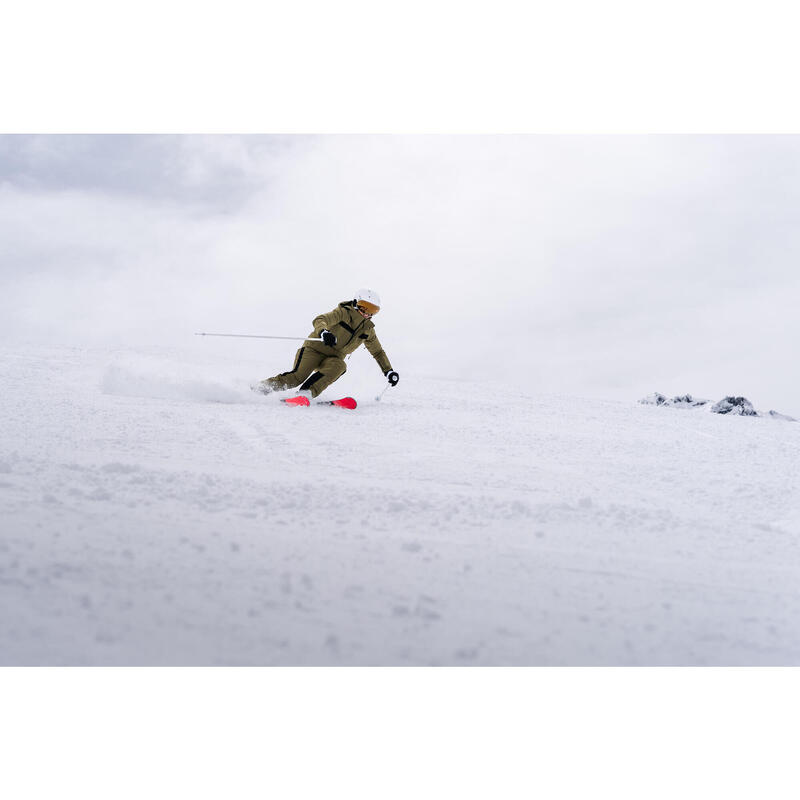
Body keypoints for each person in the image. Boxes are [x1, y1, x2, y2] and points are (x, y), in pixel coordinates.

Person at [254, 289, 399, 399]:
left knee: (340, 366)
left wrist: (388, 371)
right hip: (314, 350)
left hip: (333, 359)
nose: (367, 313)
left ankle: (306, 393)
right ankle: (259, 388)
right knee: (296, 378)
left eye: (373, 310)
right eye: (364, 307)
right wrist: (324, 332)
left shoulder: (367, 330)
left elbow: (378, 352)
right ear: (356, 303)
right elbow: (320, 319)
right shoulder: (343, 313)